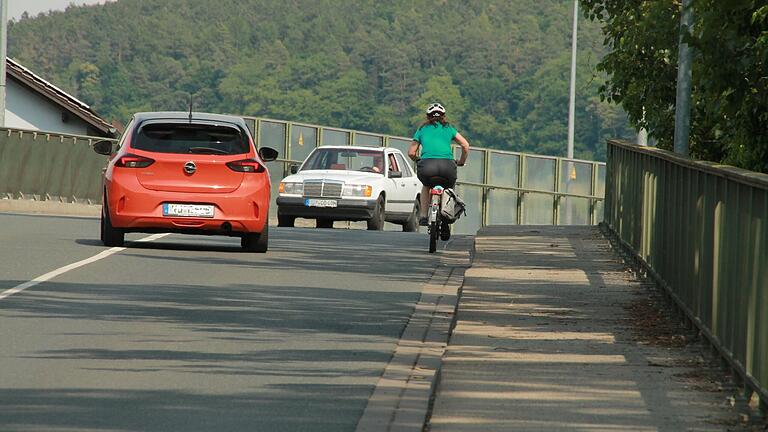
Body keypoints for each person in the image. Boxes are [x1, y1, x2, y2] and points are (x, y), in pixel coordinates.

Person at [408, 103, 470, 226]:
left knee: (426, 186)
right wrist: (461, 161)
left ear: (428, 117)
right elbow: (465, 145)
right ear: (443, 116)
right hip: (447, 166)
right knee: (449, 187)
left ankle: (423, 216)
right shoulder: (449, 129)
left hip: (427, 167)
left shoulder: (422, 130)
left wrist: (418, 159)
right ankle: (448, 213)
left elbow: (411, 153)